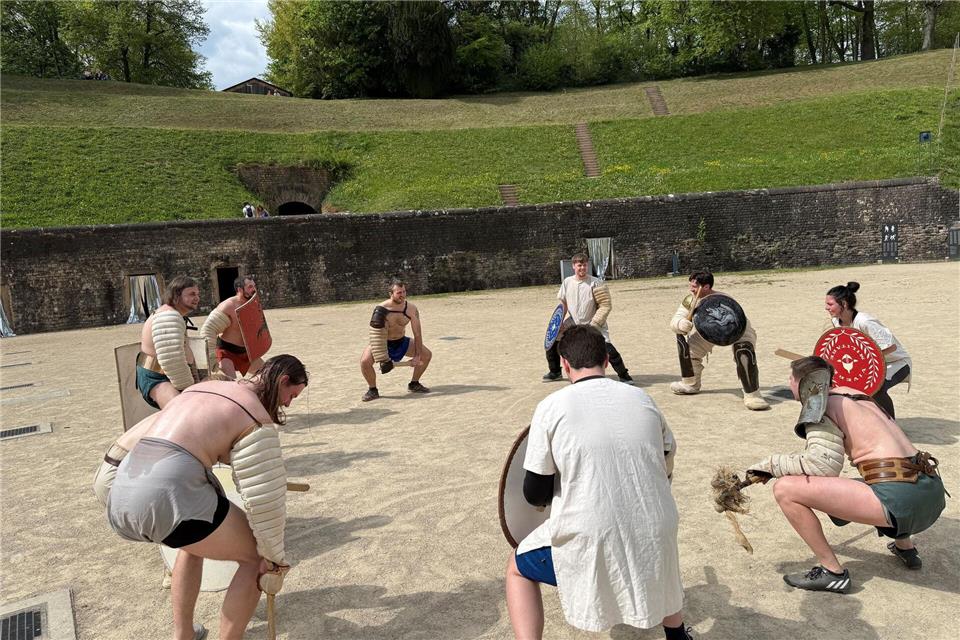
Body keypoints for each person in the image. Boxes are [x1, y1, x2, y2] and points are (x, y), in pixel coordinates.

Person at [97, 354, 307, 640]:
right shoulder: (255, 415)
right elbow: (263, 500)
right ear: (282, 381)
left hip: (123, 490)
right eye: (291, 395)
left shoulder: (200, 389)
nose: (288, 404)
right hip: (169, 492)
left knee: (192, 544)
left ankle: (183, 634)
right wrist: (274, 558)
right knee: (255, 559)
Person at [507, 325, 692, 640]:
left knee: (516, 568)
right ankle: (678, 637)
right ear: (606, 360)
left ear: (565, 364)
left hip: (592, 537)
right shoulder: (643, 399)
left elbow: (534, 493)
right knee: (659, 564)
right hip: (657, 527)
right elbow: (665, 460)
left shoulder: (551, 407)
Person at [746, 356, 945, 594]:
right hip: (930, 491)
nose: (789, 383)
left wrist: (771, 466)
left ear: (799, 381)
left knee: (785, 489)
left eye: (790, 378)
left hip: (903, 502)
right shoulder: (857, 394)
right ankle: (905, 547)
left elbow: (823, 465)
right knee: (880, 476)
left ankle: (833, 573)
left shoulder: (820, 402)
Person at [669, 270, 769, 410]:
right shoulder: (690, 300)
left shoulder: (723, 298)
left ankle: (753, 394)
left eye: (694, 287)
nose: (691, 289)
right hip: (709, 331)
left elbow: (737, 318)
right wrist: (680, 323)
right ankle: (691, 383)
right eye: (690, 285)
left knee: (743, 352)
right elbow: (676, 318)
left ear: (706, 287)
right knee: (688, 348)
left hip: (738, 330)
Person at [825, 281, 912, 418]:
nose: (826, 308)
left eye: (830, 304)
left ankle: (890, 423)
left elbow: (891, 347)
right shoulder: (837, 321)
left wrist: (864, 358)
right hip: (868, 364)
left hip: (896, 363)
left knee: (876, 388)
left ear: (844, 304)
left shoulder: (865, 321)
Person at [543, 253, 633, 384]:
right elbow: (563, 304)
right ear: (573, 266)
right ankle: (555, 371)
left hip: (593, 321)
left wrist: (594, 324)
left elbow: (605, 305)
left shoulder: (596, 283)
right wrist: (560, 323)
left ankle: (624, 375)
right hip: (574, 321)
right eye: (579, 265)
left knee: (606, 346)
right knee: (552, 341)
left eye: (584, 265)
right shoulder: (567, 282)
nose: (582, 268)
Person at [360, 279, 432, 401]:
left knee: (426, 355)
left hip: (401, 341)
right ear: (391, 294)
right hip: (383, 343)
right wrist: (382, 357)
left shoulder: (411, 309)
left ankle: (414, 383)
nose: (402, 295)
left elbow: (417, 334)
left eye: (404, 292)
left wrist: (417, 356)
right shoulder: (381, 309)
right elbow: (376, 336)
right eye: (399, 293)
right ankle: (372, 390)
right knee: (364, 362)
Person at [137, 276, 201, 410]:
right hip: (157, 377)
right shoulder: (168, 317)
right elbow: (172, 361)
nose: (196, 298)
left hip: (168, 374)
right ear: (177, 295)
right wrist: (189, 388)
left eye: (197, 294)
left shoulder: (174, 314)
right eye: (191, 294)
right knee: (181, 410)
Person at [200, 276, 263, 379]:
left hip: (245, 352)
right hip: (226, 352)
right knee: (230, 383)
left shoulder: (253, 303)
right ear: (240, 289)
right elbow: (208, 330)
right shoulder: (228, 305)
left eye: (254, 286)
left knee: (267, 374)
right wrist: (211, 358)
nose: (254, 289)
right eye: (250, 287)